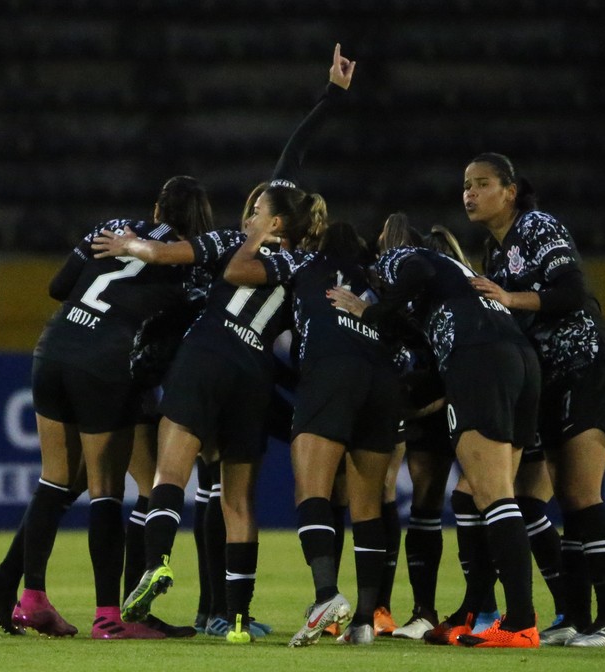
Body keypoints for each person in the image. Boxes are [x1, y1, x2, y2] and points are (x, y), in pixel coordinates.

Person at [89, 45, 356, 645]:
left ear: (274, 219)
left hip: (208, 357)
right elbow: (303, 336)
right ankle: (235, 618)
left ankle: (157, 561)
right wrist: (332, 98)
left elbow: (169, 254)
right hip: (255, 378)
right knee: (239, 500)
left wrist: (130, 245)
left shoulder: (234, 245)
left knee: (169, 475)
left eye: (259, 205)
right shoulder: (305, 266)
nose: (251, 206)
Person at [0, 175, 214, 640]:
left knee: (56, 478)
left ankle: (29, 596)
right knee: (106, 489)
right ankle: (111, 617)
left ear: (157, 210)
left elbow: (59, 285)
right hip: (108, 363)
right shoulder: (190, 265)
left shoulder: (113, 227)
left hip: (54, 348)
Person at [328, 217, 542, 649]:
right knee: (468, 496)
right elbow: (419, 330)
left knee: (496, 494)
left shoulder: (404, 257)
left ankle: (520, 622)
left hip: (477, 357)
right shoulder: (453, 279)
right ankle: (472, 611)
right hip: (519, 359)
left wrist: (368, 310)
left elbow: (415, 276)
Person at [466, 152, 605, 647]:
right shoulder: (494, 254)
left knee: (581, 494)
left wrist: (509, 299)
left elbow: (572, 291)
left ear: (510, 191)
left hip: (589, 364)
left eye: (482, 184)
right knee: (548, 498)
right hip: (551, 378)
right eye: (466, 186)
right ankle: (577, 618)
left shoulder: (538, 226)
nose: (470, 194)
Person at [225, 208, 401, 647]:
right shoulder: (375, 277)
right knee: (368, 507)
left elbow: (244, 275)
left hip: (331, 371)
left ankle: (325, 595)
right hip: (382, 379)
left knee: (313, 491)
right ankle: (364, 621)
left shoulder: (304, 264)